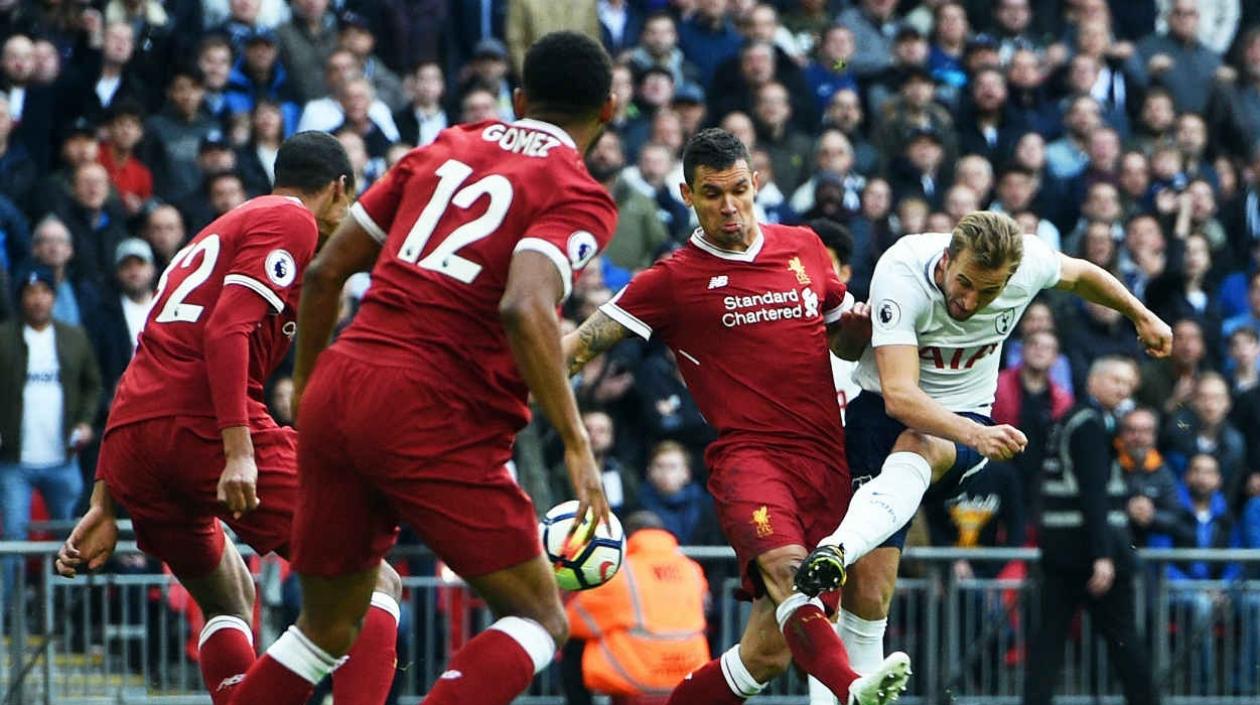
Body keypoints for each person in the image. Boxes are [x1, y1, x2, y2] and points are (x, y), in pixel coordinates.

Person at [223, 32, 620, 705]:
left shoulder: (446, 146)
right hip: (432, 409)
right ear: (609, 111)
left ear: (518, 99)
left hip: (343, 381)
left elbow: (323, 274)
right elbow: (524, 307)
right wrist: (578, 446)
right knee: (541, 617)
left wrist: (316, 392)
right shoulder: (578, 192)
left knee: (325, 628)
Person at [53, 132, 402, 705]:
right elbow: (226, 331)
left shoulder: (218, 233)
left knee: (229, 597)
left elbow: (149, 358)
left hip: (136, 442)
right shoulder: (292, 222)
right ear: (339, 190)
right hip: (207, 427)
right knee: (371, 581)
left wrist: (104, 499)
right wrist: (238, 450)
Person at [564, 127, 910, 705]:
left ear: (759, 183)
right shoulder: (672, 280)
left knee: (767, 652)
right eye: (712, 193)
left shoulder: (802, 248)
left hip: (826, 460)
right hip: (750, 459)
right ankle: (852, 691)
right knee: (788, 571)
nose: (729, 206)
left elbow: (843, 348)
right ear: (686, 195)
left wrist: (856, 330)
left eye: (739, 189)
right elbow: (574, 349)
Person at [796, 211, 1173, 678]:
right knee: (868, 596)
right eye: (965, 283)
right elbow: (899, 396)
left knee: (921, 444)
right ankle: (844, 580)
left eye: (989, 292)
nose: (970, 301)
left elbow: (1080, 274)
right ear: (948, 258)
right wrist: (977, 434)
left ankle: (837, 546)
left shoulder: (1028, 263)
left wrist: (1140, 313)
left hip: (963, 418)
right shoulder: (903, 270)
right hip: (882, 414)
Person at [1024, 357, 1159, 705]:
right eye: (1115, 379)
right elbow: (1093, 495)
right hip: (1087, 553)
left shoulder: (1083, 420)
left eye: (1128, 383)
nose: (1123, 388)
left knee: (1049, 643)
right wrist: (1103, 555)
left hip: (1063, 551)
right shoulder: (1089, 424)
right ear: (1093, 382)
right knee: (1124, 641)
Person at [1, 268, 101, 594]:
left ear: (54, 298)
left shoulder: (74, 337)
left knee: (71, 543)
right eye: (31, 292)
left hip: (63, 458)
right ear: (20, 297)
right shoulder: (4, 338)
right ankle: (6, 620)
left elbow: (92, 385)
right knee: (12, 542)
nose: (38, 298)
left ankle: (66, 618)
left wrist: (85, 421)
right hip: (15, 459)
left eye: (44, 291)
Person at [564, 510, 710, 705]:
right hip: (691, 671)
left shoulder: (621, 572)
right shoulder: (692, 568)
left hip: (638, 675)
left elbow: (573, 622)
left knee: (575, 643)